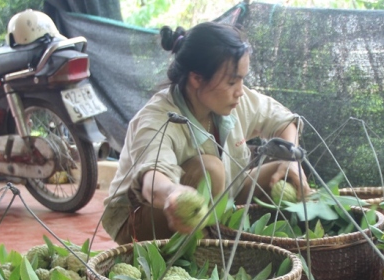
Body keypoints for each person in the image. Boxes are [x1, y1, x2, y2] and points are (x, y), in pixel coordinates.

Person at [101, 21, 311, 244]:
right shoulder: (158, 118)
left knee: (284, 171)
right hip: (143, 215)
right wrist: (173, 193)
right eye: (232, 81)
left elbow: (283, 121)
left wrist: (291, 161)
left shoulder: (234, 99)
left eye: (242, 79)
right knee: (210, 169)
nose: (240, 90)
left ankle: (282, 245)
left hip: (222, 196)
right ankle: (206, 255)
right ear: (197, 78)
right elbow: (152, 180)